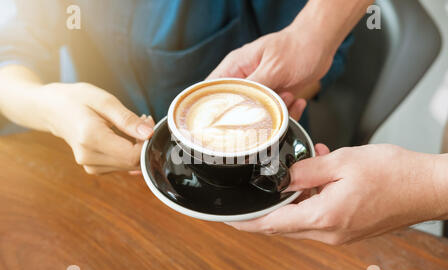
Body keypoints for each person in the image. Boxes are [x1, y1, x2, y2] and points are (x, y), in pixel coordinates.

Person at [0, 0, 369, 174]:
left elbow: (316, 61)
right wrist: (46, 106)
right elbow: (9, 54)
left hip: (249, 178)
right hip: (88, 177)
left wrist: (264, 106)